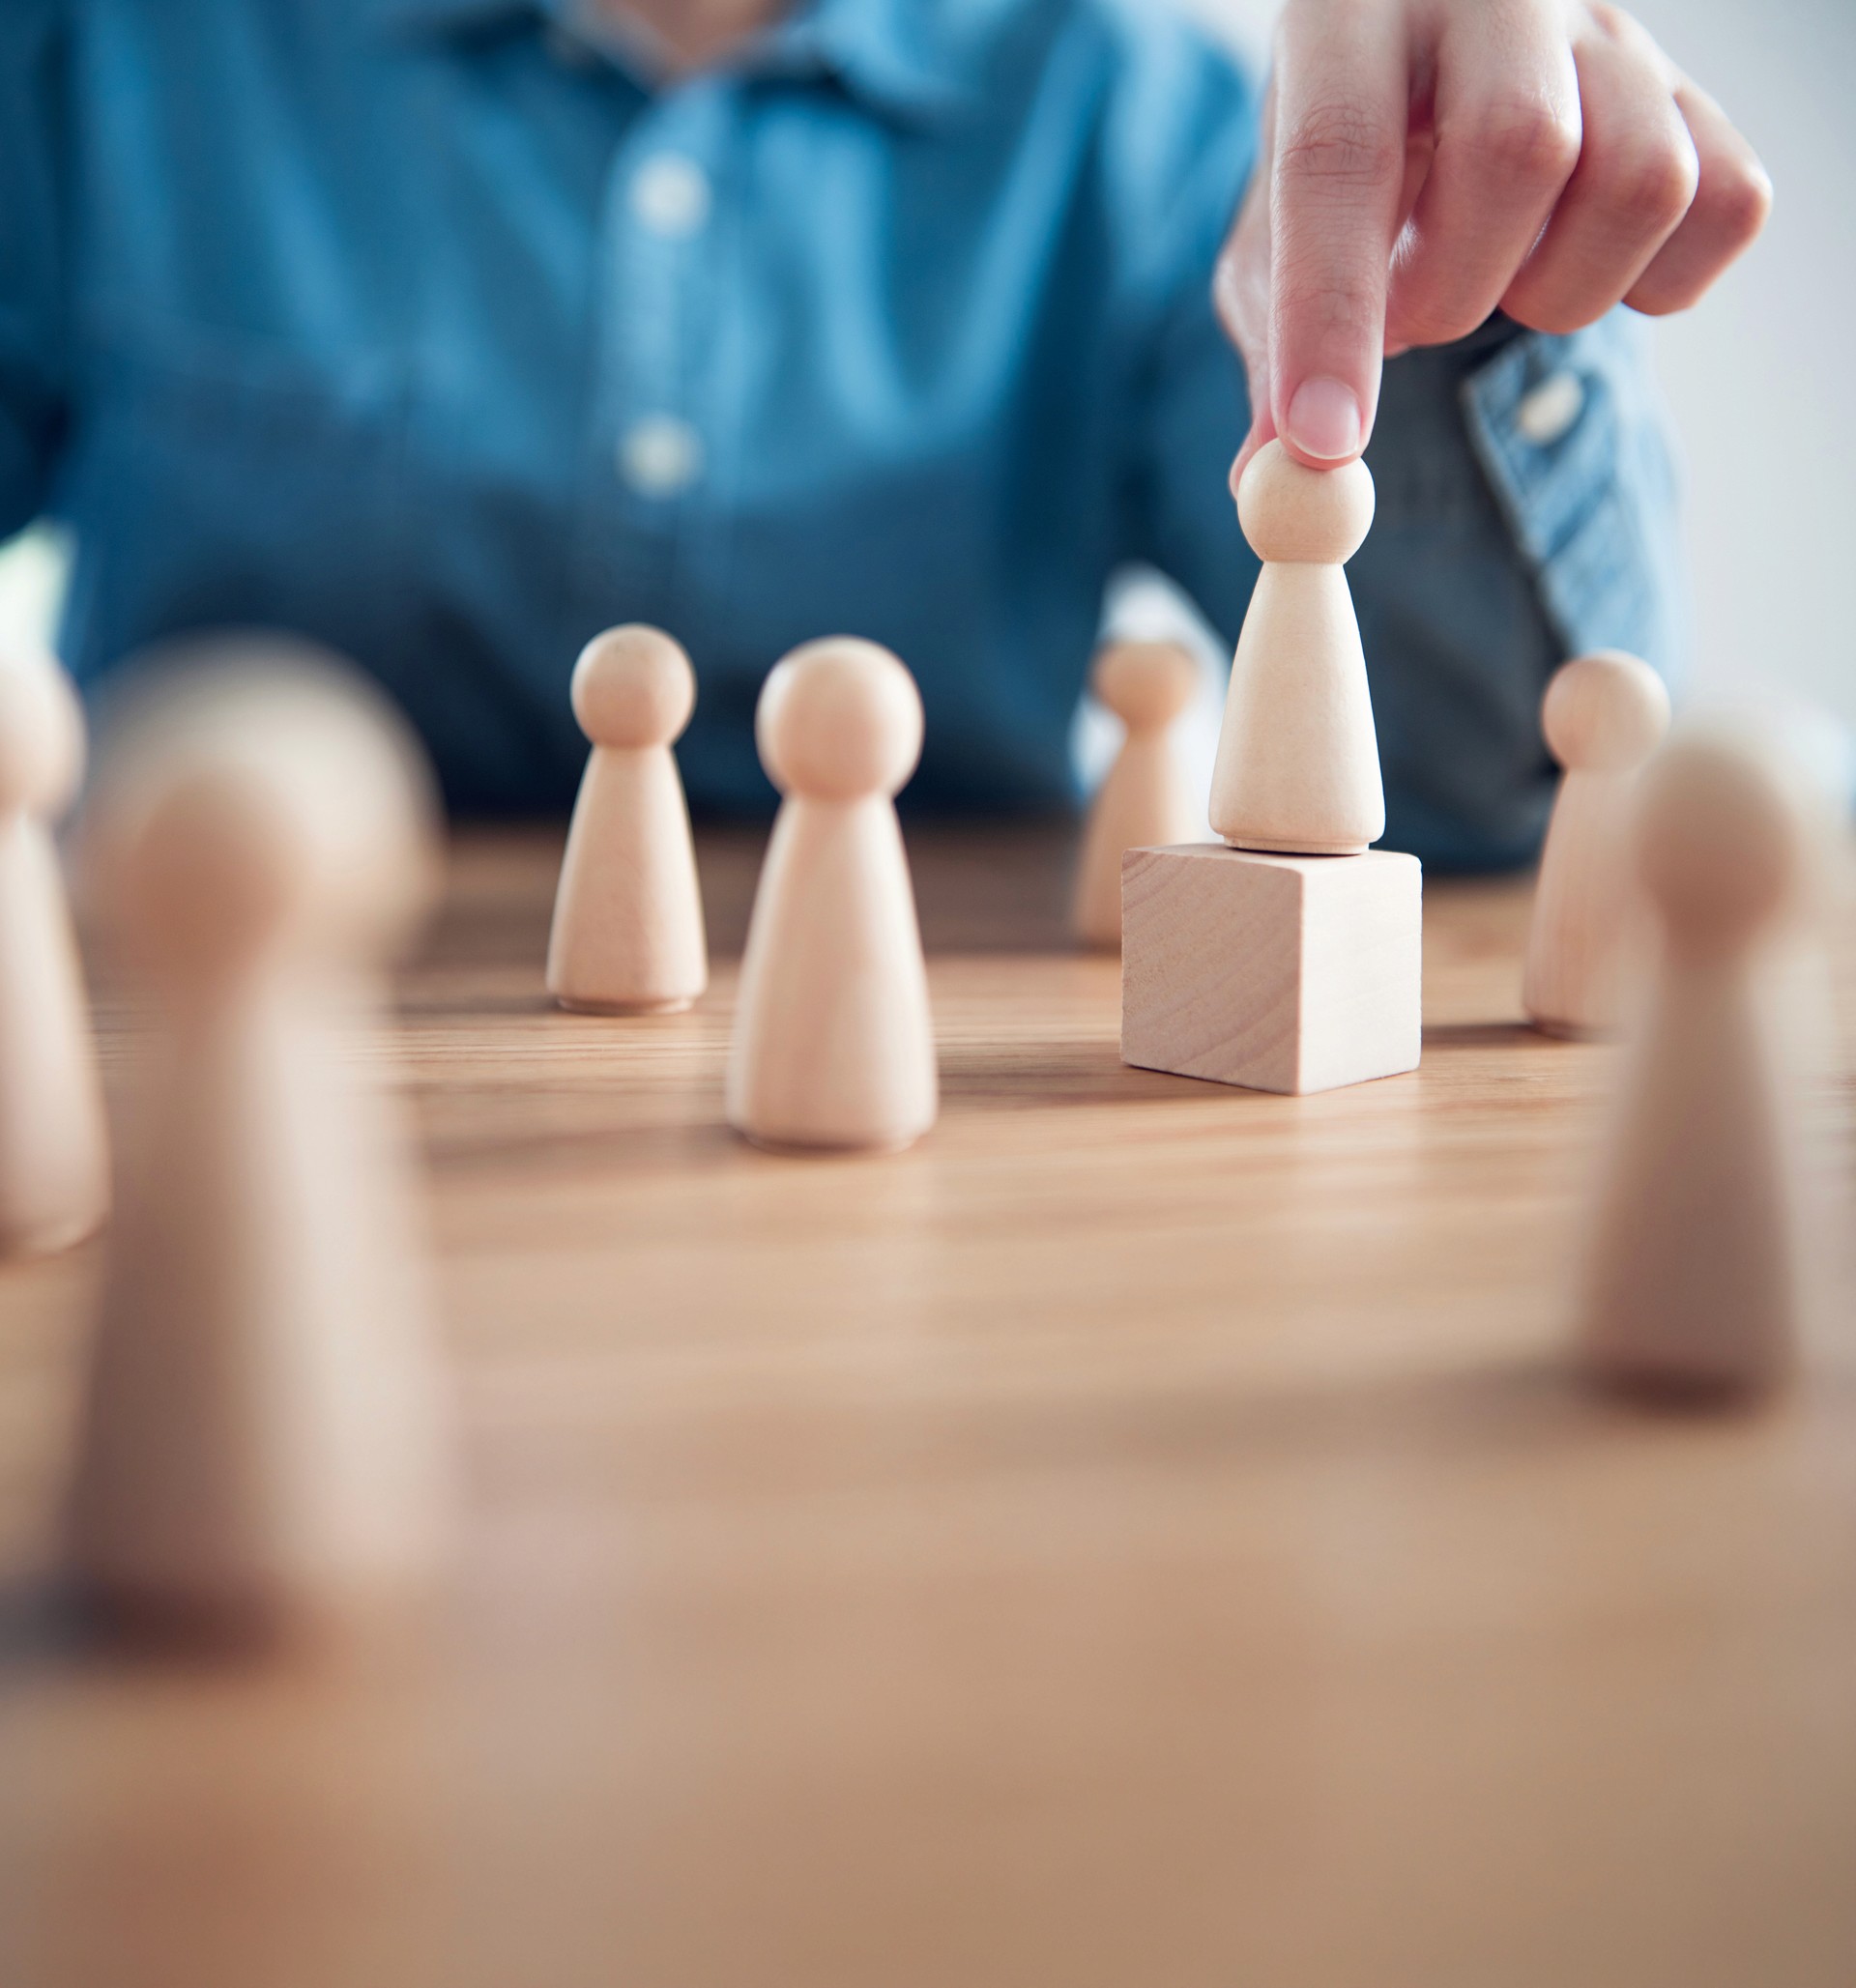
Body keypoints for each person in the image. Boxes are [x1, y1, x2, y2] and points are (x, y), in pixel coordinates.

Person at [0, 0, 1768, 866]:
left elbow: (1499, 806)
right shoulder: (105, 52)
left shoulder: (1136, 126)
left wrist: (1475, 273)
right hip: (196, 1061)